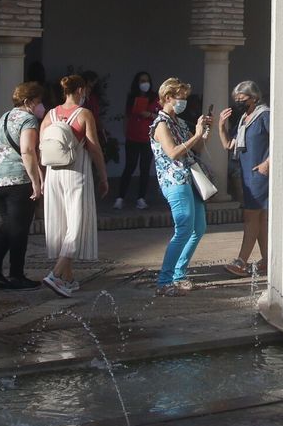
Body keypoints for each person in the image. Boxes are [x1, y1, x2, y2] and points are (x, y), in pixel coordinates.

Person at [41, 74, 108, 297]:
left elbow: (40, 146)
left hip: (53, 174)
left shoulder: (50, 115)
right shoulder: (84, 114)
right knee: (76, 225)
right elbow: (94, 147)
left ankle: (68, 278)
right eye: (85, 90)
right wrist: (103, 175)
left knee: (61, 225)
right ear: (80, 90)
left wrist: (40, 178)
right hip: (76, 173)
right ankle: (56, 274)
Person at [151, 77, 212, 295]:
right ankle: (164, 281)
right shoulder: (161, 124)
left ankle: (179, 273)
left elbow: (196, 151)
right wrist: (195, 135)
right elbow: (174, 153)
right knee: (184, 228)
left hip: (190, 179)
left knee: (199, 228)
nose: (183, 101)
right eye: (181, 97)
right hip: (174, 181)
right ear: (167, 98)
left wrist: (203, 134)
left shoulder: (180, 122)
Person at [0, 81, 45, 290]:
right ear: (28, 102)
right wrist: (36, 182)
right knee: (19, 228)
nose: (40, 106)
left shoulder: (5, 116)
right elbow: (28, 150)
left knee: (9, 224)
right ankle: (15, 274)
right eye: (38, 101)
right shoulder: (28, 119)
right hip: (17, 179)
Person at [220, 80, 270, 276]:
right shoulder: (243, 119)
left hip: (260, 174)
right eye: (236, 99)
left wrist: (267, 164)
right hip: (247, 173)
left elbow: (279, 139)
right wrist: (221, 125)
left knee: (250, 217)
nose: (238, 102)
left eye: (242, 98)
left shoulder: (264, 115)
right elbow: (228, 145)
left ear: (254, 97)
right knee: (261, 218)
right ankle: (268, 259)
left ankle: (241, 261)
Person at [116, 70, 159, 209]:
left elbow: (159, 116)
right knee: (130, 166)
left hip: (147, 138)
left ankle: (141, 198)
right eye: (142, 81)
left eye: (146, 81)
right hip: (132, 137)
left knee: (145, 168)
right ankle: (120, 197)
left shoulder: (154, 98)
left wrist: (149, 114)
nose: (144, 84)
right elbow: (126, 116)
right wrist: (125, 132)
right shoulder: (131, 97)